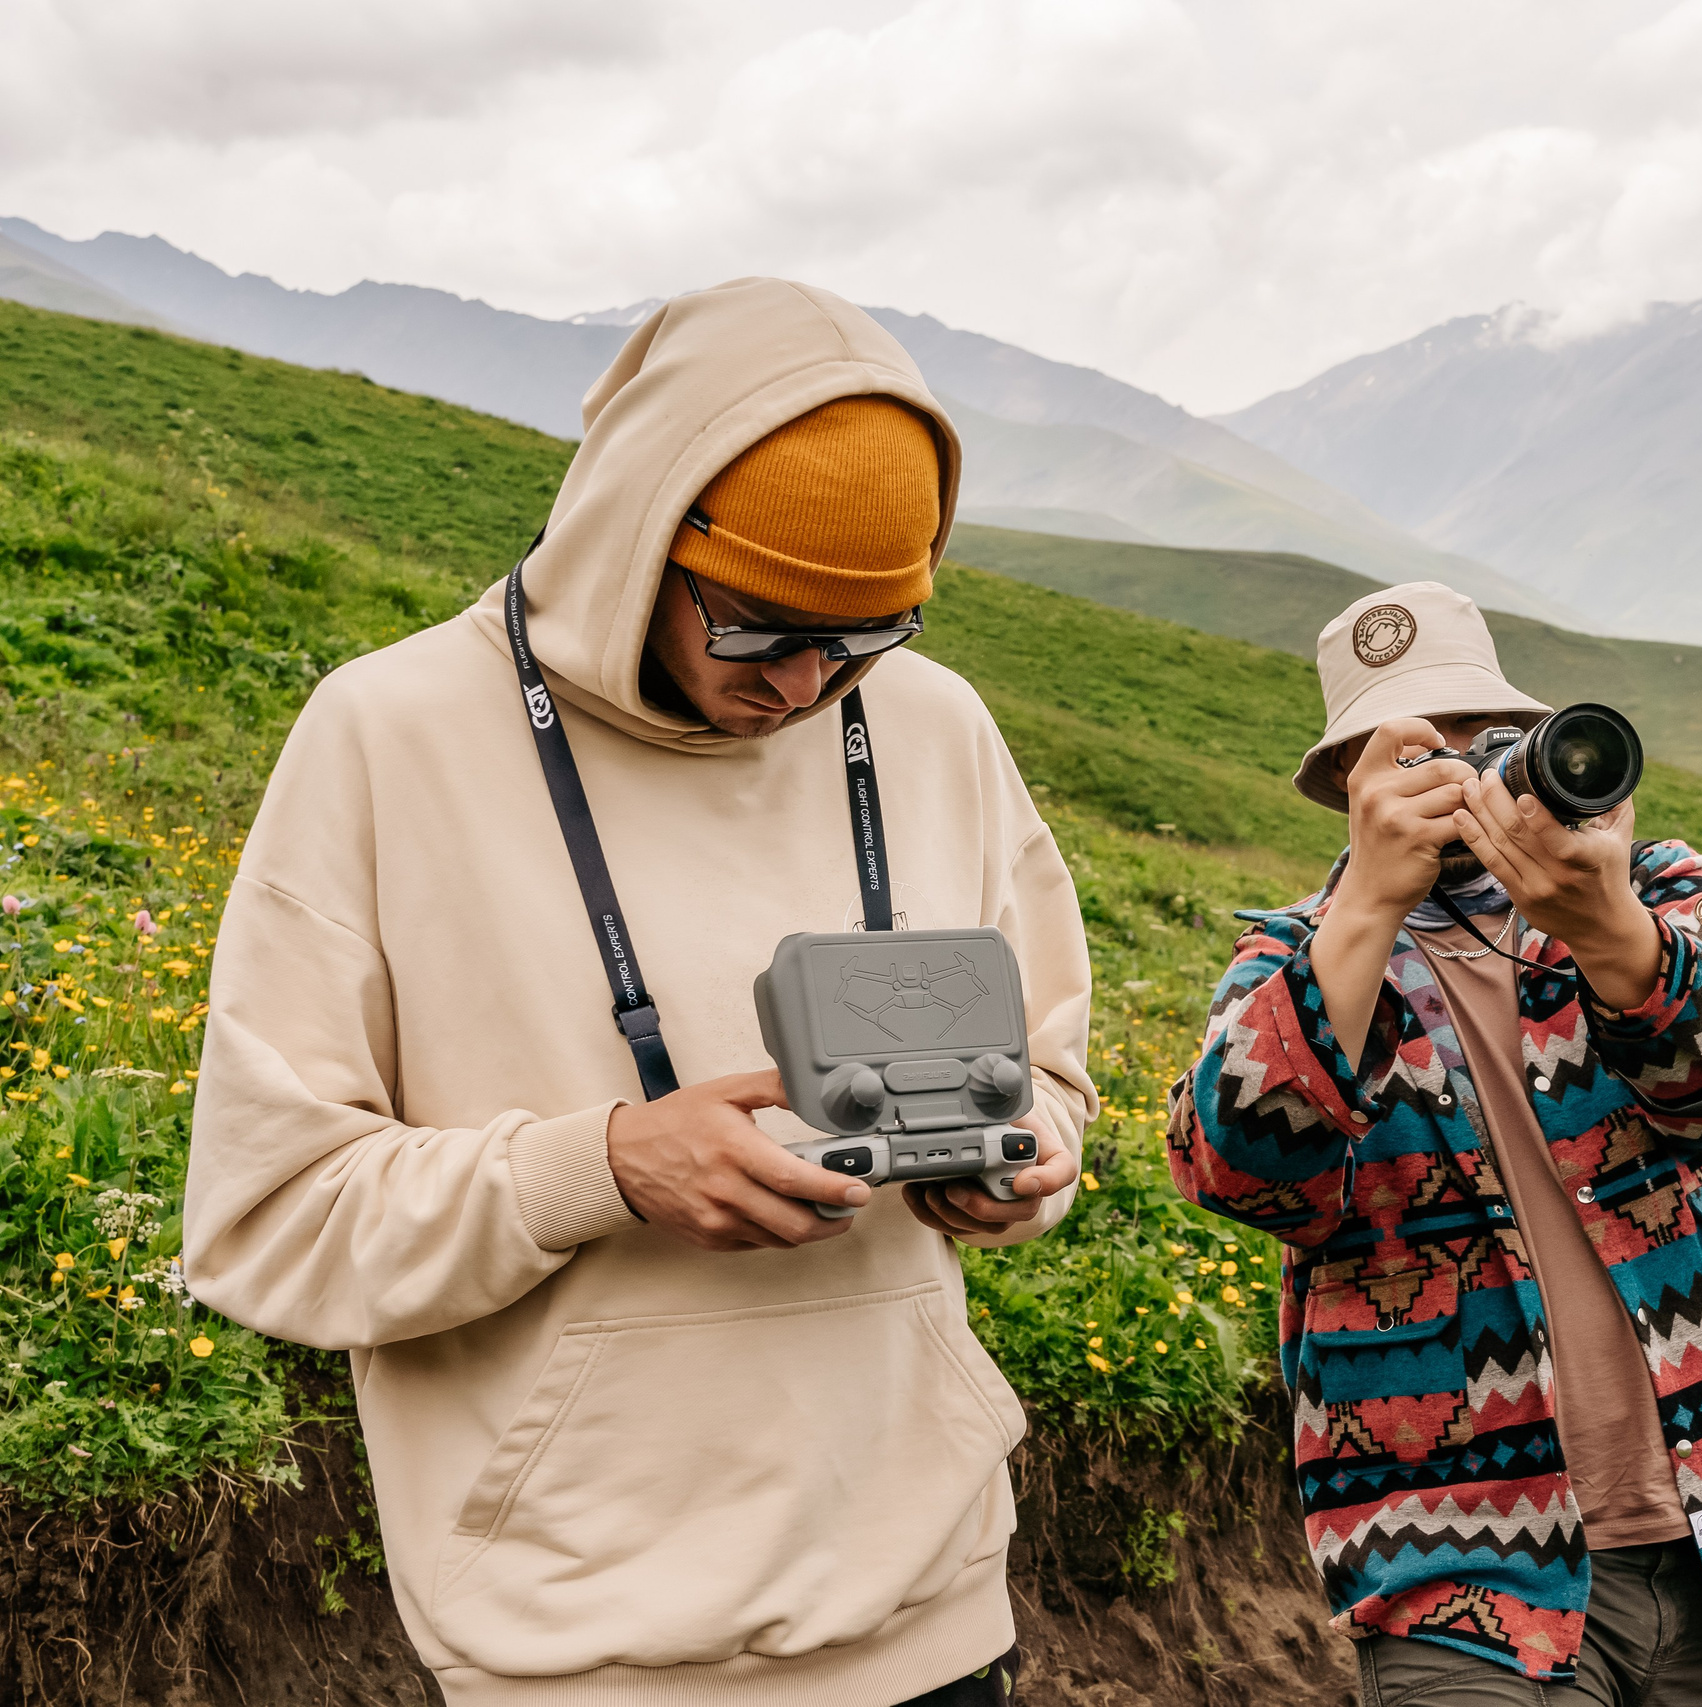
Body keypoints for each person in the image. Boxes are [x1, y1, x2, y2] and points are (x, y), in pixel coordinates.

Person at [183, 279, 1095, 1705]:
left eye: (863, 640)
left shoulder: (936, 728)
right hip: (580, 1653)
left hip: (934, 1610)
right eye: (759, 628)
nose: (802, 687)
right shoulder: (388, 736)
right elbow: (268, 1219)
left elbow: (1051, 1074)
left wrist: (1026, 1159)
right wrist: (597, 1164)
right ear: (639, 535)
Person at [1168, 582, 1702, 1705]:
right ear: (1350, 781)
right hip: (1459, 1565)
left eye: (1496, 743)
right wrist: (1367, 912)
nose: (1473, 777)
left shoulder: (1651, 890)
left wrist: (1605, 926)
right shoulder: (1294, 962)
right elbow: (1239, 1169)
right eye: (1427, 750)